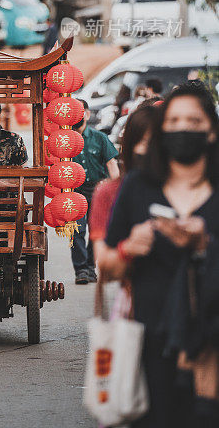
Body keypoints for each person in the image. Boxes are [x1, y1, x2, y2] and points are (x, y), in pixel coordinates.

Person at [100, 82, 219, 426]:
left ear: (211, 131)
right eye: (175, 121)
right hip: (151, 339)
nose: (184, 129)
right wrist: (129, 248)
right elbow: (106, 268)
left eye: (194, 122)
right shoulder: (138, 188)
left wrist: (203, 246)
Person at [91, 102, 157, 254]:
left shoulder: (184, 188)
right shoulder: (110, 192)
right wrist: (128, 248)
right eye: (143, 142)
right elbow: (103, 258)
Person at [71, 98, 119, 284]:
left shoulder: (100, 138)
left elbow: (112, 165)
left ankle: (90, 267)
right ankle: (81, 269)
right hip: (75, 190)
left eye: (80, 111)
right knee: (77, 230)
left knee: (96, 230)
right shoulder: (63, 142)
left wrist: (115, 191)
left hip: (98, 189)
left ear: (87, 114)